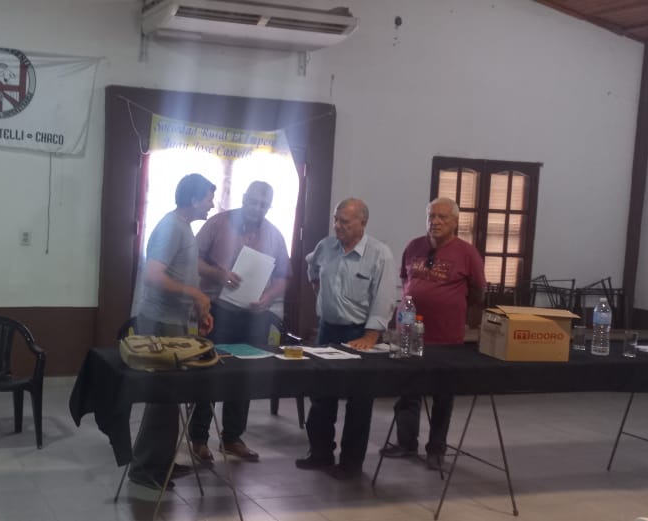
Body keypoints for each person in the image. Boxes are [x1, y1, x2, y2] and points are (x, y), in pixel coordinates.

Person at [187, 181, 290, 464]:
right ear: (244, 198)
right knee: (210, 373)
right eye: (253, 202)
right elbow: (192, 260)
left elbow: (283, 277)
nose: (257, 208)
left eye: (263, 205)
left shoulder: (274, 235)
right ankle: (199, 438)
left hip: (254, 316)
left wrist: (269, 297)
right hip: (217, 311)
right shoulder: (218, 223)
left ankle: (232, 437)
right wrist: (219, 274)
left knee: (244, 376)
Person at [295, 198, 398, 479]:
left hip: (360, 334)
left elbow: (385, 298)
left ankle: (351, 463)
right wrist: (324, 300)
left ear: (363, 223)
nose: (337, 226)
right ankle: (320, 454)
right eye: (336, 219)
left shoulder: (380, 254)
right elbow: (312, 271)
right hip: (328, 330)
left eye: (345, 221)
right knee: (321, 395)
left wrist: (371, 335)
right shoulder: (325, 247)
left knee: (359, 401)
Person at [381, 197, 485, 470]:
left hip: (446, 335)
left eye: (442, 217)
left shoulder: (467, 253)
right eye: (431, 216)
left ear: (455, 222)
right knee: (408, 389)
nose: (435, 222)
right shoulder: (414, 246)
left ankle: (436, 449)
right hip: (409, 329)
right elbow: (405, 279)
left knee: (442, 394)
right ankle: (406, 443)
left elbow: (478, 292)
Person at [128, 173, 216, 490]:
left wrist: (196, 307)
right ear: (193, 199)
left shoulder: (184, 227)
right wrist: (196, 295)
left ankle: (162, 461)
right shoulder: (171, 227)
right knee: (163, 397)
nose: (211, 204)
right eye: (208, 198)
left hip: (175, 321)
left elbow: (180, 276)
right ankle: (145, 469)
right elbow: (153, 275)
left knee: (171, 397)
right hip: (160, 323)